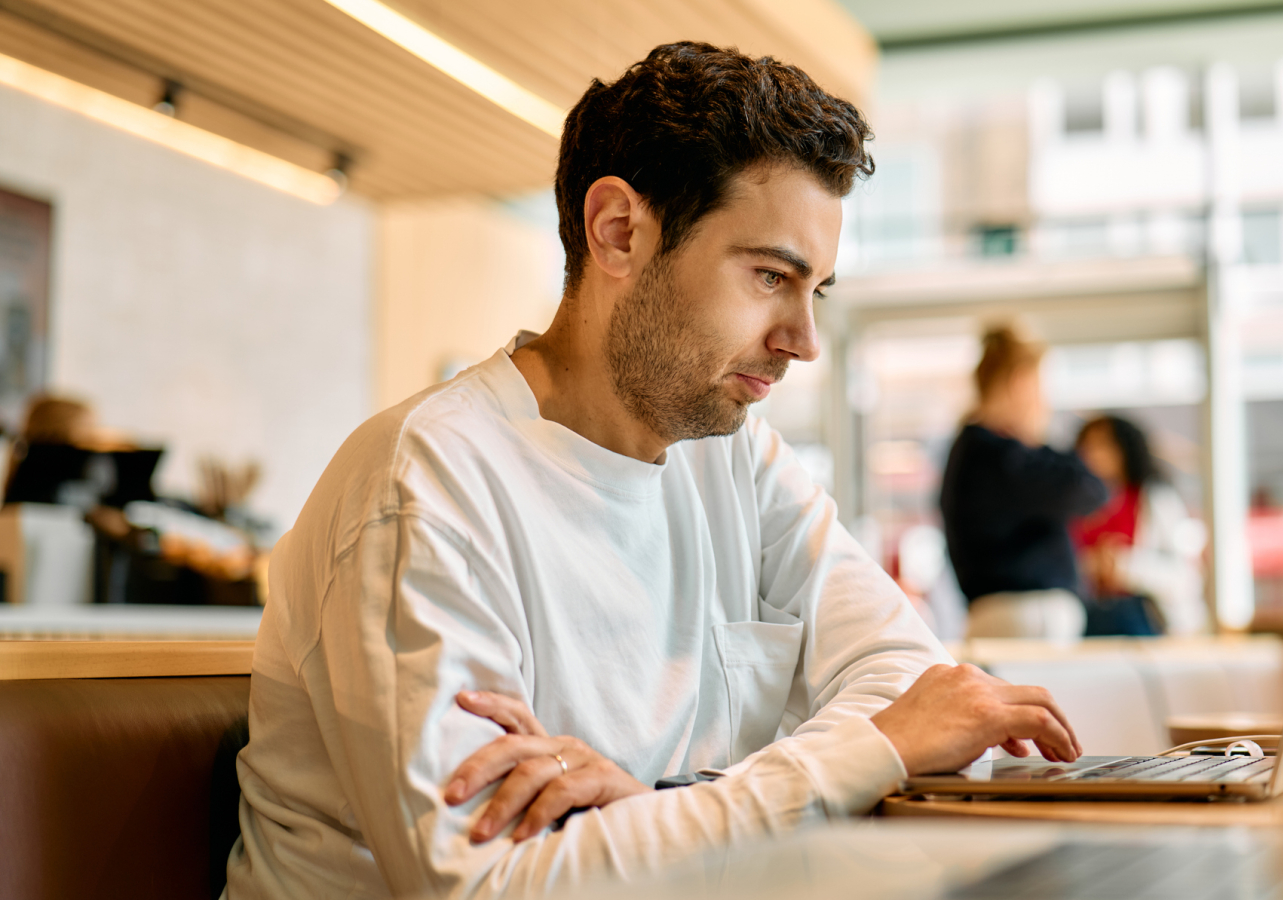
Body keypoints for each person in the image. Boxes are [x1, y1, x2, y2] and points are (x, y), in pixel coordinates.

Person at [225, 43, 1080, 900]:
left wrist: (651, 809)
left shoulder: (732, 453)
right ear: (619, 232)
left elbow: (909, 675)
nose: (803, 340)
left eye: (813, 290)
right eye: (769, 276)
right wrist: (862, 753)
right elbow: (487, 887)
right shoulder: (426, 485)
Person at [939, 326, 1107, 641]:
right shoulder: (999, 456)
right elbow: (1089, 488)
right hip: (1029, 619)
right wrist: (1036, 436)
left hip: (1009, 616)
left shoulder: (974, 450)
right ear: (1020, 382)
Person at [1071, 415, 1207, 636]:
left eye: (1103, 445)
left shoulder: (1156, 500)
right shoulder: (1073, 507)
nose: (1092, 453)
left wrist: (1123, 566)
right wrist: (1091, 565)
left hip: (1143, 617)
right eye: (1086, 445)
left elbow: (1185, 575)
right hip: (1086, 613)